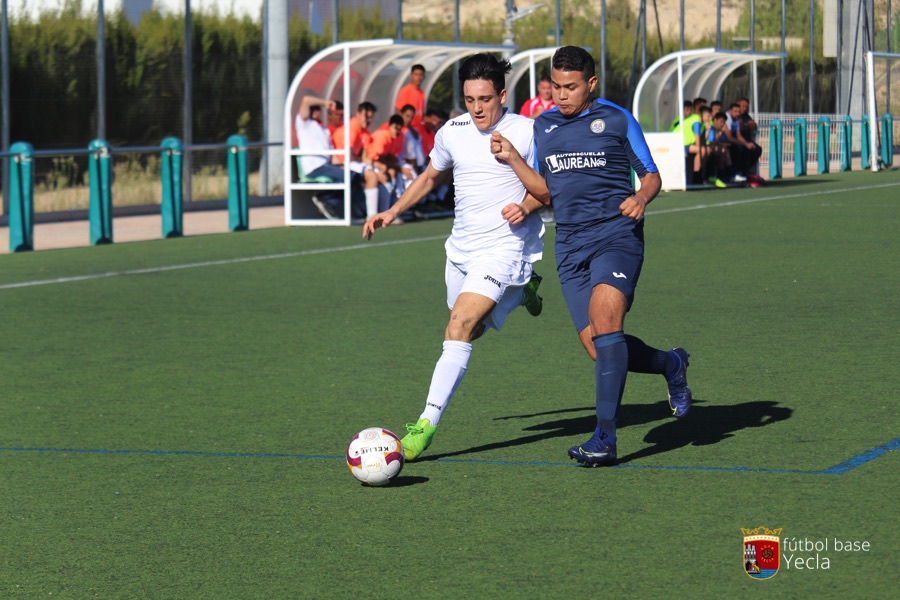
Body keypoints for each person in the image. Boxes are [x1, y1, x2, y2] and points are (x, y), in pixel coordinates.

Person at [490, 45, 692, 467]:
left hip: (616, 236)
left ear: (591, 84)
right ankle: (671, 364)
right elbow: (546, 190)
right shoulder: (542, 127)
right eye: (555, 87)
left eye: (570, 87)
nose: (560, 95)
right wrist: (514, 166)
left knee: (606, 323)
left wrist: (641, 197)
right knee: (602, 350)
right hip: (569, 245)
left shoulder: (616, 120)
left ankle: (604, 437)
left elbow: (651, 174)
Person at [362, 53, 546, 461]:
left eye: (485, 99)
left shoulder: (528, 131)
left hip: (505, 247)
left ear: (501, 94)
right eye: (469, 99)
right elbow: (430, 177)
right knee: (469, 331)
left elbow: (549, 189)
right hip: (460, 249)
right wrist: (393, 211)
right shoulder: (452, 131)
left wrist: (528, 206)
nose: (477, 108)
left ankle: (424, 425)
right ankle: (521, 293)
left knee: (458, 326)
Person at [294, 95, 366, 220]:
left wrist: (343, 166)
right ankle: (325, 198)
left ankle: (342, 207)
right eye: (314, 108)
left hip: (326, 165)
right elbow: (306, 99)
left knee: (355, 176)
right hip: (314, 167)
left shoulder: (324, 129)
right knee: (349, 177)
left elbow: (332, 155)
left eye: (318, 109)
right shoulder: (303, 123)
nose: (316, 111)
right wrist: (325, 103)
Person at [396, 63, 426, 135]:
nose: (418, 77)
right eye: (416, 74)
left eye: (421, 75)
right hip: (407, 129)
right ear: (411, 76)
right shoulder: (406, 90)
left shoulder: (422, 93)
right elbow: (399, 111)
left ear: (424, 77)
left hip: (417, 129)